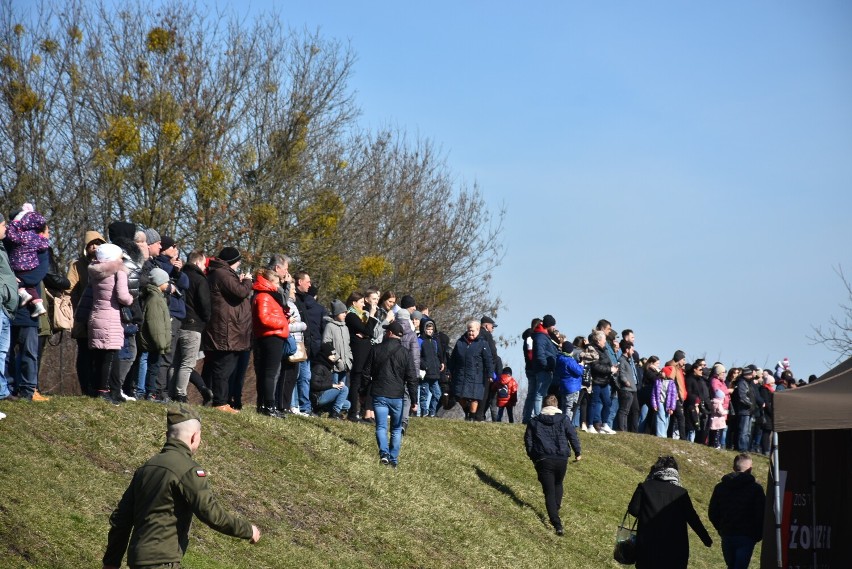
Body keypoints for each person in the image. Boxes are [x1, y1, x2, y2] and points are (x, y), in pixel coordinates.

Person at [103, 406, 260, 568]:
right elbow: (211, 513)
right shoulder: (188, 470)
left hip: (138, 561)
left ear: (167, 436)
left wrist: (111, 562)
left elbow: (121, 519)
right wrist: (248, 530)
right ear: (194, 437)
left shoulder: (146, 468)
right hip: (162, 562)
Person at [628, 455, 713, 568]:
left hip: (647, 546)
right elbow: (692, 518)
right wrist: (706, 539)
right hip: (675, 548)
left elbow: (633, 510)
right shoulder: (681, 493)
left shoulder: (644, 487)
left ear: (655, 470)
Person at [524, 394, 582, 536]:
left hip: (543, 459)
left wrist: (533, 456)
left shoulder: (534, 421)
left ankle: (556, 523)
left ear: (544, 405)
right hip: (561, 459)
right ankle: (555, 511)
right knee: (558, 484)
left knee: (549, 491)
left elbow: (528, 440)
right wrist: (578, 451)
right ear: (556, 405)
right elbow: (572, 435)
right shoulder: (564, 419)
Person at [363, 321, 418, 468]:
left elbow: (366, 373)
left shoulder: (376, 349)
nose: (386, 333)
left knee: (381, 426)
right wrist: (414, 400)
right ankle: (393, 459)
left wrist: (363, 392)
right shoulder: (406, 353)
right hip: (397, 396)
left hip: (379, 393)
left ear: (390, 333)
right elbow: (412, 378)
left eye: (387, 331)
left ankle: (384, 454)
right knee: (395, 428)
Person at [708, 453, 765, 569]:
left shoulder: (721, 487)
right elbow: (761, 514)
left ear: (734, 468)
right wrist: (758, 534)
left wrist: (721, 528)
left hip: (727, 533)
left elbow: (713, 512)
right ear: (750, 469)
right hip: (747, 535)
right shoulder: (756, 489)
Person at [449, 319, 494, 421]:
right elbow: (453, 359)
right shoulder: (460, 342)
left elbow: (489, 360)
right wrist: (449, 371)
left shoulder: (483, 343)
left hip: (476, 375)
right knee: (459, 396)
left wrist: (490, 374)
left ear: (478, 330)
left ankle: (471, 418)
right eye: (469, 330)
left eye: (473, 330)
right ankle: (467, 411)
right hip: (461, 374)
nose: (470, 333)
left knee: (474, 397)